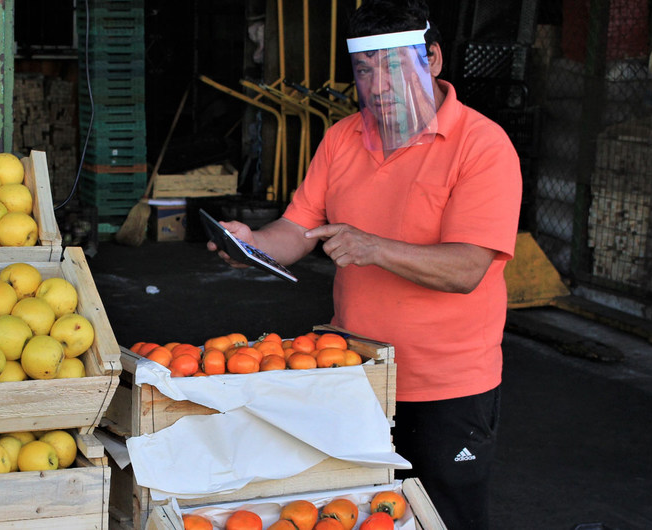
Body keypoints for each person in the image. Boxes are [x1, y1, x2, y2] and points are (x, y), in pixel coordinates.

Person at [208, 1, 521, 528]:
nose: (377, 84)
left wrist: (371, 247)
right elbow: (299, 229)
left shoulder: (482, 146)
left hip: (447, 388)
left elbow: (467, 269)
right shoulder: (342, 137)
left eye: (393, 64)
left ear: (434, 60)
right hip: (354, 374)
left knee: (446, 519)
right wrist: (254, 244)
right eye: (364, 69)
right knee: (354, 515)